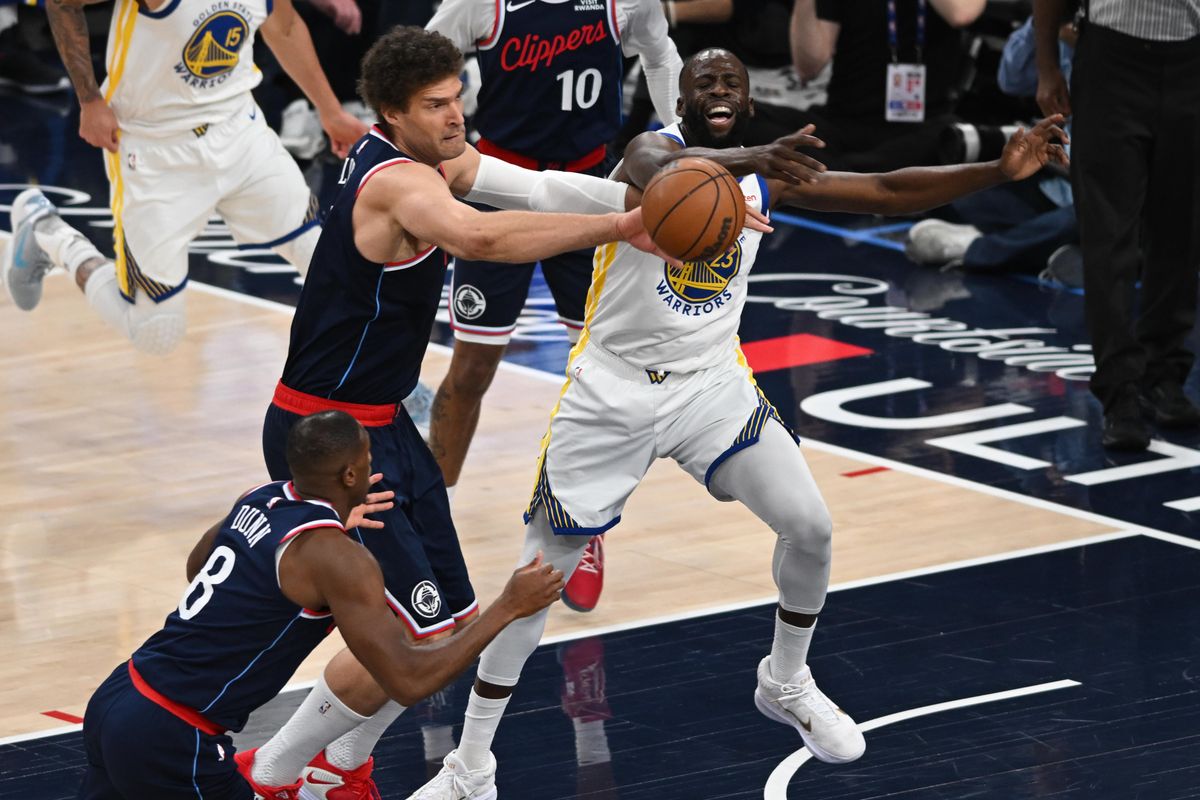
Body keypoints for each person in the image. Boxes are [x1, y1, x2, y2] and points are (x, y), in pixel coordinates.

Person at [405, 48, 1068, 798]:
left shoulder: (767, 178)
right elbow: (651, 156)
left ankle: (784, 681)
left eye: (732, 83)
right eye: (704, 83)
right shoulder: (648, 161)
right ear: (680, 99)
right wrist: (750, 156)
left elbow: (883, 189)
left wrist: (995, 174)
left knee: (811, 526)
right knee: (539, 578)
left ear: (749, 101)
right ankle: (472, 765)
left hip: (712, 388)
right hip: (612, 396)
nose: (719, 89)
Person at [247, 27, 677, 799]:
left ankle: (342, 766)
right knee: (408, 636)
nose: (454, 116)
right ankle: (277, 769)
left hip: (380, 423)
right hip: (327, 435)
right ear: (392, 112)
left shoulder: (426, 157)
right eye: (435, 105)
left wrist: (673, 189)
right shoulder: (399, 183)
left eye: (457, 98)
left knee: (444, 624)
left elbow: (535, 186)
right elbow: (479, 233)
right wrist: (624, 226)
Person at [77, 409, 566, 799]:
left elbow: (197, 569)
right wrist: (507, 607)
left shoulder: (259, 498)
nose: (375, 466)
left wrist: (329, 531)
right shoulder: (340, 559)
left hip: (120, 696)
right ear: (352, 472)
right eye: (370, 458)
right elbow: (408, 679)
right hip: (173, 737)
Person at [424, 0, 683, 613]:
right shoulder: (478, 5)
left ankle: (581, 520)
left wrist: (677, 133)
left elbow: (661, 51)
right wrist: (428, 169)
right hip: (496, 187)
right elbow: (421, 72)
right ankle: (429, 519)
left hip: (590, 191)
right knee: (472, 368)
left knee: (600, 372)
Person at [1, 0, 365, 354]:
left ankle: (371, 390)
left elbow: (284, 27)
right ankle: (47, 232)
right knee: (156, 332)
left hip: (239, 131)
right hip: (155, 150)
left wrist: (329, 111)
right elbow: (62, 3)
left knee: (323, 257)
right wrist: (90, 100)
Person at [1034, 0, 1200, 451]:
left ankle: (1164, 375)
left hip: (1191, 59)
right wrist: (1047, 66)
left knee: (1181, 234)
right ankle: (1119, 393)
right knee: (1109, 238)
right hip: (1113, 59)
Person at [905, 14, 1079, 280]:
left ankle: (978, 248)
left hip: (1106, 201)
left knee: (1091, 219)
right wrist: (1046, 28)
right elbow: (1010, 80)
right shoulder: (1063, 16)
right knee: (957, 198)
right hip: (1055, 185)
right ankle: (1046, 246)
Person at [763, 0, 985, 171]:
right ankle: (857, 179)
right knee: (745, 117)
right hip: (843, 123)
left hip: (920, 127)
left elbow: (961, 13)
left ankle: (837, 175)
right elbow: (808, 66)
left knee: (954, 137)